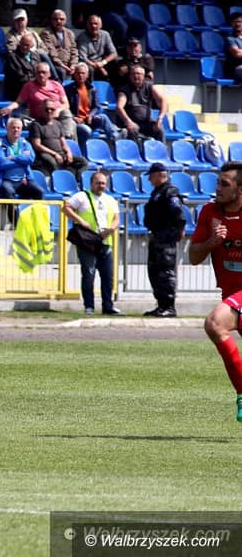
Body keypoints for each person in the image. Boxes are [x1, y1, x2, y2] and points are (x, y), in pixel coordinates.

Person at [189, 161, 242, 422]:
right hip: (231, 294)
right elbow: (193, 257)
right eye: (217, 182)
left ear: (240, 190)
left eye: (224, 184)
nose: (217, 188)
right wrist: (212, 241)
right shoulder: (210, 212)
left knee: (214, 323)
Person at [63, 171, 123, 316]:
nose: (101, 186)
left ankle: (108, 306)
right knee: (89, 274)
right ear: (91, 184)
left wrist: (111, 229)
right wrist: (80, 220)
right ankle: (89, 306)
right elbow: (66, 207)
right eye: (98, 183)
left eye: (103, 183)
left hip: (105, 242)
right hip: (87, 242)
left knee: (107, 276)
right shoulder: (82, 196)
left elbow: (116, 219)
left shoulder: (110, 200)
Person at [143, 162, 186, 318]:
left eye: (151, 176)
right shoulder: (158, 192)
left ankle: (169, 306)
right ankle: (161, 305)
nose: (149, 180)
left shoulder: (170, 192)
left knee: (166, 271)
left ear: (160, 175)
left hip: (166, 236)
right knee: (154, 271)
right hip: (157, 235)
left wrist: (179, 230)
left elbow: (178, 213)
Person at [0, 61, 77, 140]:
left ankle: (68, 142)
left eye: (44, 72)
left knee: (70, 119)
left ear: (49, 74)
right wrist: (10, 107)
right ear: (35, 74)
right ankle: (66, 141)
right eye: (38, 72)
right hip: (40, 119)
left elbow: (66, 104)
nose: (41, 75)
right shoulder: (29, 86)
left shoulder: (56, 85)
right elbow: (18, 102)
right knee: (71, 124)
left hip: (57, 117)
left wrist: (58, 110)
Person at [28, 98, 88, 182]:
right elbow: (37, 145)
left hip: (61, 153)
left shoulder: (58, 124)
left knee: (83, 162)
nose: (49, 111)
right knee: (52, 162)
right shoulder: (36, 125)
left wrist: (68, 153)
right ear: (42, 109)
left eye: (52, 109)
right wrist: (55, 154)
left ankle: (75, 182)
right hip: (45, 154)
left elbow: (63, 142)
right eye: (46, 109)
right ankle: (59, 182)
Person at [66, 62, 121, 147]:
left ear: (87, 75)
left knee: (103, 117)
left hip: (88, 119)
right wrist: (74, 117)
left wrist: (91, 115)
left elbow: (97, 106)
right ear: (74, 74)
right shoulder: (68, 89)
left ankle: (115, 138)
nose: (80, 75)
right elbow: (65, 107)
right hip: (77, 122)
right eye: (78, 73)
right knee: (87, 130)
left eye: (83, 73)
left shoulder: (91, 89)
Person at [0, 118, 45, 202]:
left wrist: (14, 158)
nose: (16, 130)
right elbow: (1, 163)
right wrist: (22, 162)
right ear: (7, 129)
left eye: (18, 128)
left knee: (39, 192)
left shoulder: (25, 144)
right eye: (13, 127)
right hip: (7, 180)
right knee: (8, 191)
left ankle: (35, 211)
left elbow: (30, 159)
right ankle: (14, 211)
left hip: (24, 180)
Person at [115, 64, 166, 143]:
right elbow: (119, 107)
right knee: (133, 129)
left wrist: (160, 118)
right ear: (130, 76)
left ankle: (162, 150)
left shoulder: (149, 87)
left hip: (147, 123)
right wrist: (128, 121)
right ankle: (135, 150)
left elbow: (163, 100)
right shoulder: (124, 90)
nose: (136, 76)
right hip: (133, 123)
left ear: (143, 76)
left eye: (138, 74)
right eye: (133, 74)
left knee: (160, 129)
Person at [76, 14, 118, 81]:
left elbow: (114, 53)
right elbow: (83, 58)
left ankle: (113, 86)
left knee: (116, 63)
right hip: (89, 63)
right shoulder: (82, 37)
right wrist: (100, 68)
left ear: (101, 25)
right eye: (91, 24)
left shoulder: (105, 34)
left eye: (96, 23)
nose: (93, 26)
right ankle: (90, 86)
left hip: (101, 62)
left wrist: (103, 62)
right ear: (87, 25)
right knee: (89, 69)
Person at [40, 9, 78, 81]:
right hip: (55, 65)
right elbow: (51, 53)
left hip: (70, 64)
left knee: (83, 70)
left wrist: (73, 65)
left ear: (65, 21)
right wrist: (63, 66)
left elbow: (74, 51)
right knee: (61, 71)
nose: (58, 21)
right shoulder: (46, 33)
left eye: (61, 19)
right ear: (51, 20)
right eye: (55, 19)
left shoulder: (70, 33)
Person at [3, 33, 42, 100]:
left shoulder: (36, 56)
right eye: (23, 44)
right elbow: (20, 78)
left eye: (27, 45)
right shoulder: (12, 57)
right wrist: (37, 80)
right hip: (19, 90)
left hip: (35, 87)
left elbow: (40, 71)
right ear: (19, 43)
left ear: (31, 46)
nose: (24, 47)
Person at [224, 11, 242, 83]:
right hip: (235, 68)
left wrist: (240, 50)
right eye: (235, 22)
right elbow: (237, 54)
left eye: (240, 22)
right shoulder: (230, 38)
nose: (238, 24)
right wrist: (239, 52)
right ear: (231, 23)